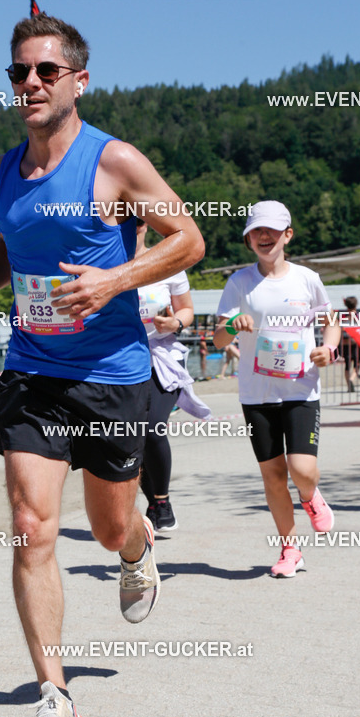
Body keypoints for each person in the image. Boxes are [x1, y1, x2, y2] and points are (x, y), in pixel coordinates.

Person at [0, 13, 204, 717]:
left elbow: (188, 237)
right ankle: (54, 695)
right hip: (32, 370)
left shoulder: (114, 161)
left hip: (111, 376)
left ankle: (135, 548)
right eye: (18, 72)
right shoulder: (2, 170)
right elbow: (13, 243)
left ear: (78, 81)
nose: (29, 82)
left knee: (108, 526)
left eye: (44, 71)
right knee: (31, 528)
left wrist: (115, 279)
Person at [213, 200, 340, 577]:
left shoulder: (306, 279)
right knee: (272, 476)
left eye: (271, 230)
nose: (263, 237)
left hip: (301, 389)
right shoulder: (238, 282)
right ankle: (290, 549)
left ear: (288, 235)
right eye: (256, 231)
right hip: (256, 394)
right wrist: (234, 326)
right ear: (249, 238)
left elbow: (332, 323)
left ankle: (309, 495)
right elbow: (218, 339)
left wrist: (329, 348)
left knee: (301, 470)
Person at [135, 219, 210, 531]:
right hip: (117, 359)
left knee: (152, 428)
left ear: (147, 223)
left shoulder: (167, 262)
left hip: (160, 357)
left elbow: (187, 310)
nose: (132, 224)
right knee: (130, 436)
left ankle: (162, 499)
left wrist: (175, 323)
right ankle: (151, 501)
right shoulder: (102, 264)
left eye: (138, 218)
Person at [341, 296, 360, 391]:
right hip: (356, 342)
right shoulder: (359, 316)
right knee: (357, 364)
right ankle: (352, 379)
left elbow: (339, 327)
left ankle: (348, 385)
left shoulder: (343, 316)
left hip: (345, 343)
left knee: (347, 365)